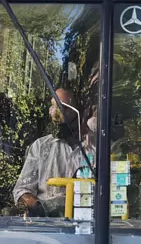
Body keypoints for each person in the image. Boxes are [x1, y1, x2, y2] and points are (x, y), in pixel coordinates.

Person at [12, 84, 96, 217]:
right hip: (49, 226)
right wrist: (40, 209)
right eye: (52, 106)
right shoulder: (41, 147)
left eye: (62, 107)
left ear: (77, 111)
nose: (55, 113)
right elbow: (22, 190)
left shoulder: (95, 148)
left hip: (86, 221)